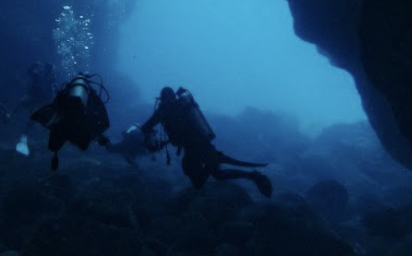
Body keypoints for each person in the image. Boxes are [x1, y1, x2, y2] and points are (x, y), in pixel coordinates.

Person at [140, 86, 273, 197]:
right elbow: (181, 131)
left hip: (195, 149)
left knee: (201, 181)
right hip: (202, 146)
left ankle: (239, 171)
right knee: (217, 175)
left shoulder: (163, 111)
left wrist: (152, 140)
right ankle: (250, 175)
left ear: (162, 99)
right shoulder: (182, 106)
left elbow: (146, 127)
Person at [29, 72, 113, 169]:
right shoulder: (90, 93)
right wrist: (96, 130)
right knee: (83, 146)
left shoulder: (67, 89)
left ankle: (55, 156)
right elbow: (99, 112)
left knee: (53, 147)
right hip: (80, 126)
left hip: (63, 124)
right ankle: (96, 138)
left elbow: (55, 104)